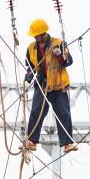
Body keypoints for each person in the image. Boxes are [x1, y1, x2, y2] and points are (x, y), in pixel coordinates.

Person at [24, 18, 77, 155]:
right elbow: (31, 66)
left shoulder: (58, 43)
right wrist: (29, 75)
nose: (36, 37)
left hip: (58, 85)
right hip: (42, 85)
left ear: (44, 33)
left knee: (63, 113)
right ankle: (31, 141)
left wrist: (59, 55)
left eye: (37, 35)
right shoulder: (31, 48)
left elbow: (68, 62)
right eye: (34, 36)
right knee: (36, 111)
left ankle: (67, 143)